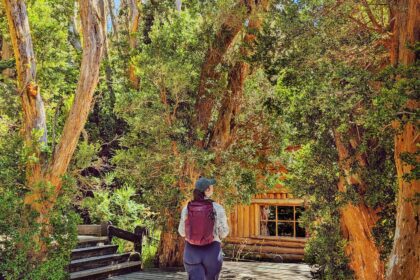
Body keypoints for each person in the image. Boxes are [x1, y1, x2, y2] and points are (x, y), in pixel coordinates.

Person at [178, 177, 229, 280]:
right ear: (207, 190)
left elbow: (182, 232)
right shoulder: (217, 208)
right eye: (211, 187)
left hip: (191, 252)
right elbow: (224, 233)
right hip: (212, 252)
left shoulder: (187, 208)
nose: (213, 189)